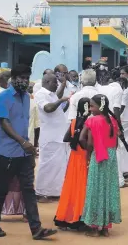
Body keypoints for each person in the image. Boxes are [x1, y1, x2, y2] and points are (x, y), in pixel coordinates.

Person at [0, 64, 57, 239]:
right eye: (22, 78)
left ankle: (36, 229)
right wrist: (23, 142)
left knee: (28, 190)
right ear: (13, 78)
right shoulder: (2, 97)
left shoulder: (26, 97)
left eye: (27, 78)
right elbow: (5, 123)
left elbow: (26, 124)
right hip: (7, 153)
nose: (25, 81)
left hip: (25, 153)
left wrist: (29, 148)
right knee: (1, 190)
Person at [80, 94, 122, 237]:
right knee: (108, 190)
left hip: (98, 156)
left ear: (100, 106)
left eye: (92, 106)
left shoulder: (92, 120)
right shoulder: (113, 120)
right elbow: (115, 142)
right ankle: (105, 227)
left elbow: (84, 139)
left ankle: (94, 227)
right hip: (111, 157)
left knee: (95, 189)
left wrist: (89, 153)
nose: (90, 109)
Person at [0, 71, 26, 221]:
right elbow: (4, 122)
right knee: (1, 178)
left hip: (15, 143)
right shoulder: (1, 97)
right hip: (5, 143)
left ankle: (19, 210)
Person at [54, 98, 91, 230]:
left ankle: (66, 216)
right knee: (82, 188)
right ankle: (80, 217)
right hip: (83, 158)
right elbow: (85, 140)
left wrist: (74, 137)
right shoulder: (88, 123)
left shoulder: (74, 122)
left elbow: (66, 138)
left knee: (71, 187)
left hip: (73, 159)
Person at [34, 74, 71, 203]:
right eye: (55, 83)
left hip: (58, 136)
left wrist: (63, 84)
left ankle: (54, 192)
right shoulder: (41, 94)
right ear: (47, 82)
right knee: (47, 166)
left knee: (58, 166)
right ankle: (40, 192)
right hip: (50, 137)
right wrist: (61, 101)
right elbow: (48, 108)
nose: (56, 85)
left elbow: (58, 96)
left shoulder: (51, 94)